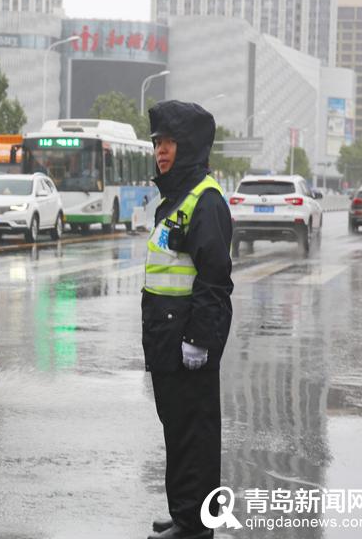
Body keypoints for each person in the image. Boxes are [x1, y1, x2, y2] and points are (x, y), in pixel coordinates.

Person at [142, 101, 233, 539]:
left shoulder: (205, 200)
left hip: (186, 341)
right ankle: (184, 513)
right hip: (167, 339)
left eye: (170, 142)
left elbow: (215, 281)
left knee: (195, 436)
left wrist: (198, 338)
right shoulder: (174, 199)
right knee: (177, 431)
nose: (161, 151)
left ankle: (197, 526)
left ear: (190, 145)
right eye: (158, 142)